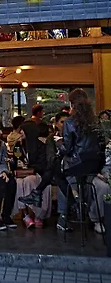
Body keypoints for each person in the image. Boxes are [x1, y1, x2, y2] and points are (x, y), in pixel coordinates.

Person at [59, 88, 105, 233]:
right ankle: (82, 203)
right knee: (86, 182)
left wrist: (59, 143)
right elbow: (101, 144)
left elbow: (67, 149)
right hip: (94, 164)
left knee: (57, 172)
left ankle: (75, 203)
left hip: (77, 164)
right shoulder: (96, 121)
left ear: (72, 104)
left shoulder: (69, 122)